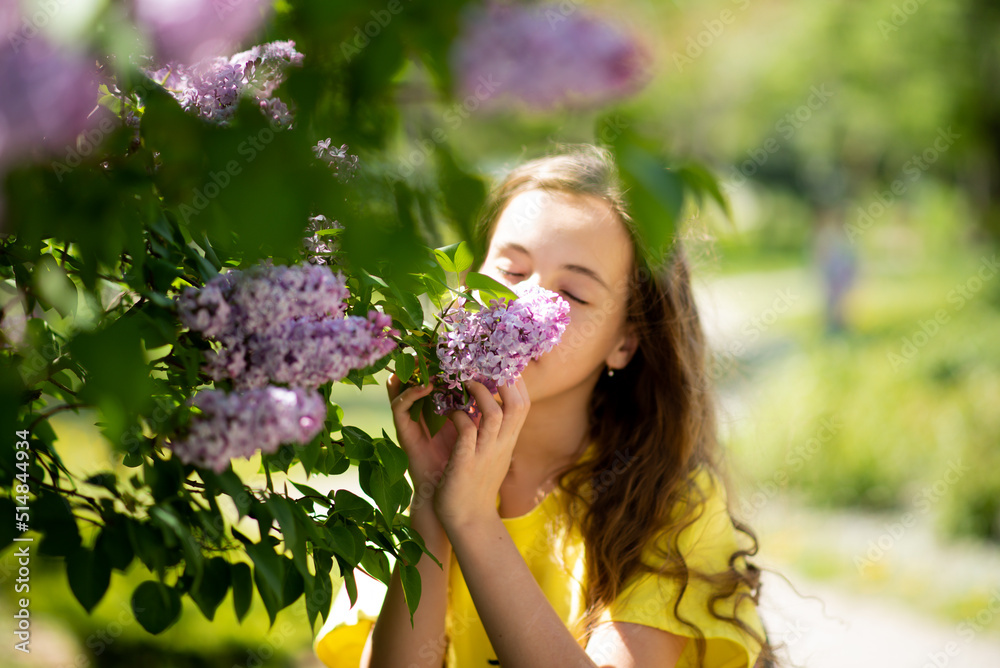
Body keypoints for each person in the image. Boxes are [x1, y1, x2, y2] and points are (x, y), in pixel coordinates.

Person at [315, 143, 778, 667]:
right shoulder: (431, 466)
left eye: (573, 295)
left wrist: (469, 519)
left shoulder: (670, 506)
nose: (524, 305)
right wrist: (429, 503)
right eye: (510, 272)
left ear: (624, 342)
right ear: (466, 285)